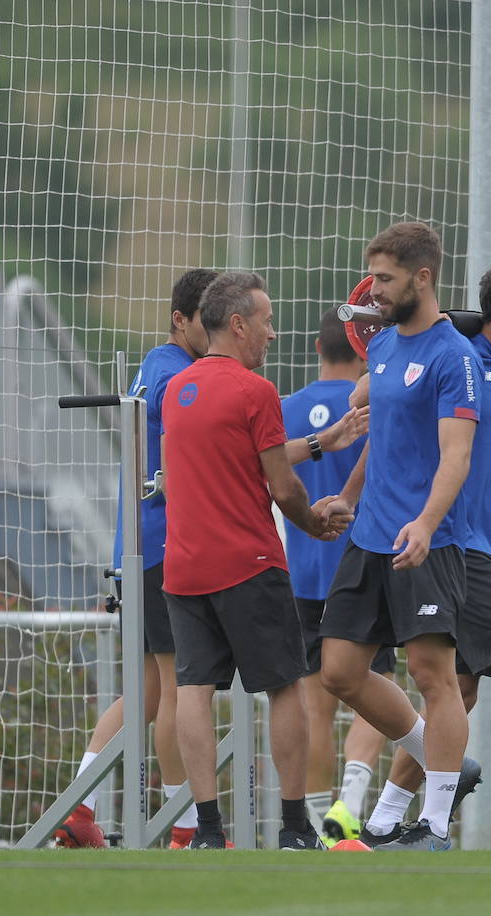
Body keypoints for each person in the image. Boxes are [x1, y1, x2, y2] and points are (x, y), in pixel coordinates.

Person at [358, 255, 491, 851]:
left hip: (485, 547)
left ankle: (382, 822)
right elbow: (370, 393)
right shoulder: (456, 351)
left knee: (460, 690)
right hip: (459, 545)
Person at [162, 270, 350, 850]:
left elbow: (223, 464)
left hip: (184, 567)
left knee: (194, 689)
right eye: (266, 321)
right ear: (238, 323)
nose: (272, 333)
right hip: (250, 561)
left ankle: (208, 832)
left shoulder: (178, 389)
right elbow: (282, 486)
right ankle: (294, 828)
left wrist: (321, 441)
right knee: (287, 687)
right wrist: (315, 524)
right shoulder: (254, 390)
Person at [316, 221, 480, 852]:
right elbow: (378, 435)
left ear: (423, 277)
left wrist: (428, 523)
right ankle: (443, 761)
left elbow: (456, 457)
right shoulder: (381, 349)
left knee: (432, 674)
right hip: (370, 536)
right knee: (339, 671)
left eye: (384, 279)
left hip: (427, 541)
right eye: (373, 278)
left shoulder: (452, 357)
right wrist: (349, 497)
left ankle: (434, 825)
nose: (373, 291)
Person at [55, 268, 215, 849]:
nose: (221, 330)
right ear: (181, 319)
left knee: (147, 690)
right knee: (179, 688)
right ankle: (187, 825)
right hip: (165, 548)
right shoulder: (178, 376)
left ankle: (81, 806)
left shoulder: (157, 364)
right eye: (210, 320)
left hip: (139, 547)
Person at [280, 306, 391, 845]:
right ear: (363, 353)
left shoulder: (286, 408)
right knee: (380, 688)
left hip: (303, 576)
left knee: (313, 706)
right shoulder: (376, 404)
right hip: (366, 568)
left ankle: (319, 822)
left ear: (318, 350)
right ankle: (350, 800)